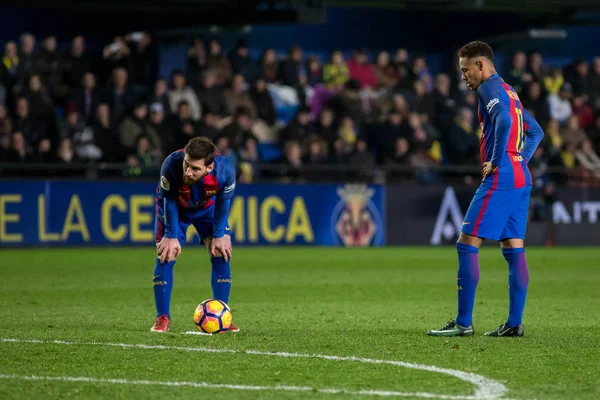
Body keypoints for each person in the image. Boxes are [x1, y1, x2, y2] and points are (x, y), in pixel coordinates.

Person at [427, 41, 544, 337]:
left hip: (502, 176)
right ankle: (514, 323)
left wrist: (496, 160)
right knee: (513, 248)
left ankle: (463, 323)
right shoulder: (509, 91)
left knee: (466, 244)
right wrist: (518, 159)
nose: (464, 77)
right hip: (521, 176)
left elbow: (503, 121)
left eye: (466, 70)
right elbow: (536, 131)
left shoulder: (488, 88)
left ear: (481, 65)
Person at [151, 136, 239, 333]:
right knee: (166, 254)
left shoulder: (225, 170)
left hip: (207, 209)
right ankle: (162, 317)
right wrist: (171, 235)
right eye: (187, 165)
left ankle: (222, 316)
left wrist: (219, 234)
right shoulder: (171, 164)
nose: (188, 172)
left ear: (209, 167)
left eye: (195, 169)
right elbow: (169, 201)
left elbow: (224, 204)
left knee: (220, 251)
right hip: (174, 209)